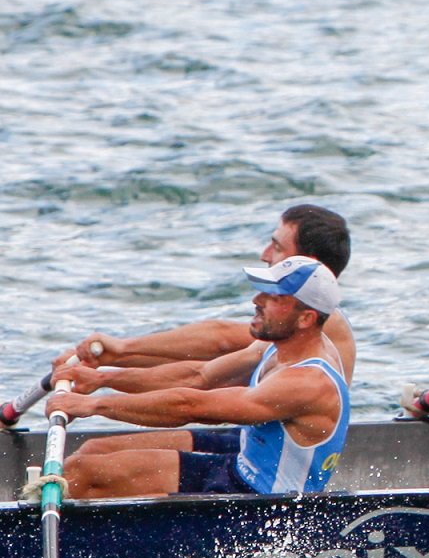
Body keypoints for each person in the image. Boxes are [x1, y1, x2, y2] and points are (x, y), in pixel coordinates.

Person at [51, 257, 352, 499]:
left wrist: (93, 406)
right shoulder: (278, 346)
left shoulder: (307, 382)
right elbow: (197, 376)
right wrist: (102, 379)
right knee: (93, 452)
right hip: (242, 466)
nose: (256, 300)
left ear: (306, 318)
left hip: (260, 506)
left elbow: (190, 407)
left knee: (83, 474)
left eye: (273, 297)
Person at [54, 204, 355, 377]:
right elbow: (204, 365)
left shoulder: (322, 320)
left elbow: (220, 341)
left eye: (276, 247)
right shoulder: (292, 322)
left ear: (307, 263)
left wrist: (121, 350)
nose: (264, 255)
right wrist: (105, 361)